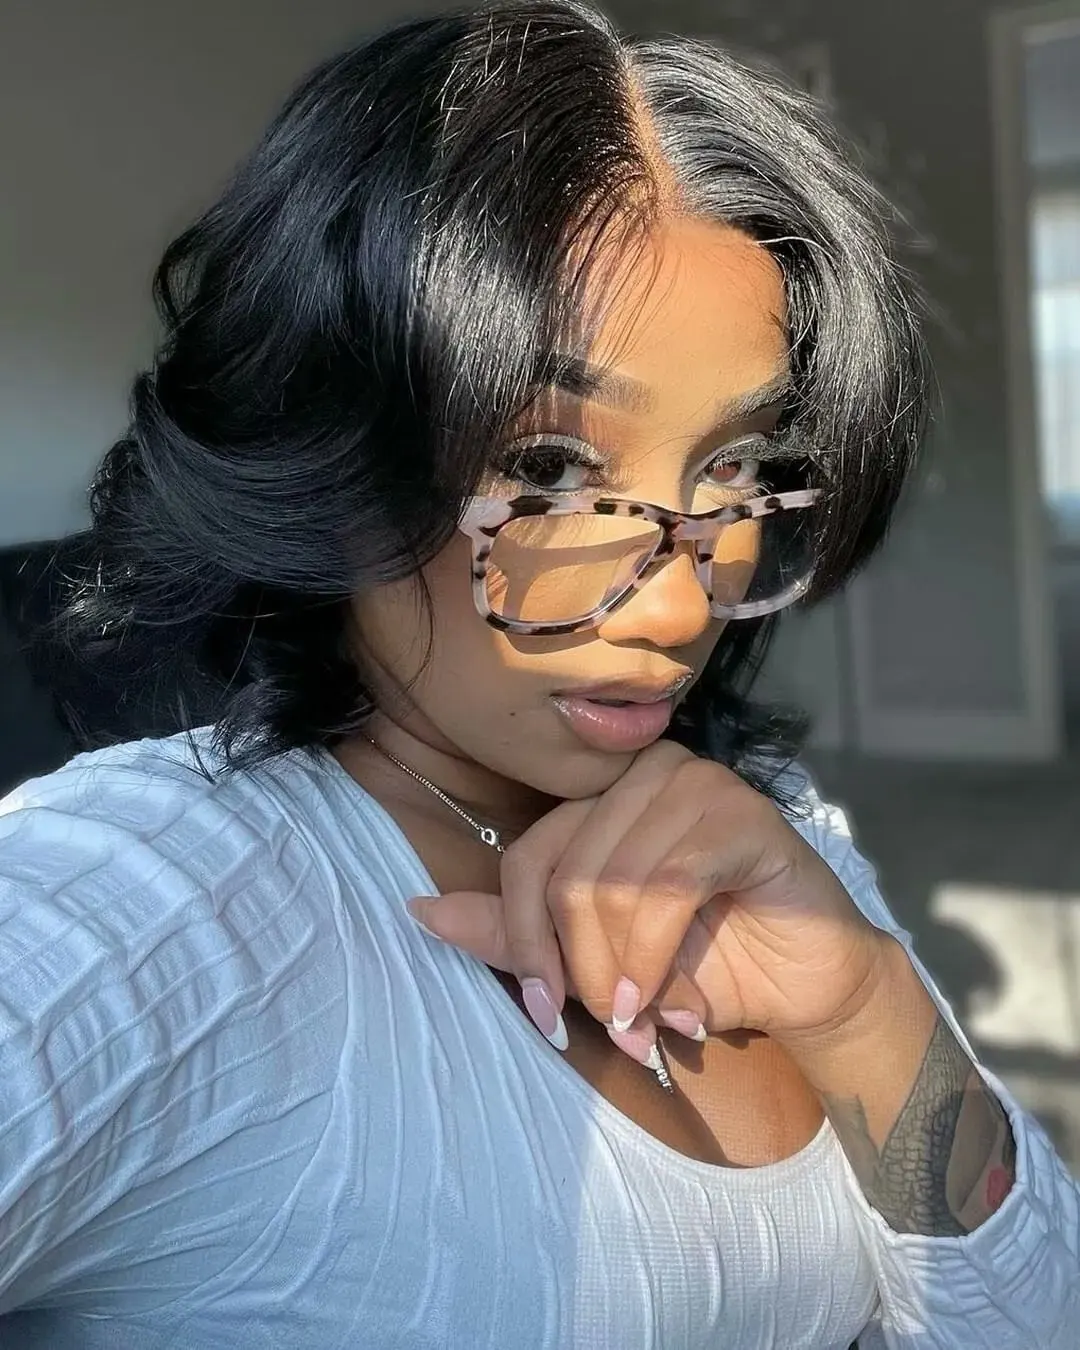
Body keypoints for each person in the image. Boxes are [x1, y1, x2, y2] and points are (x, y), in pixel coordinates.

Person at [0, 2, 1076, 1345]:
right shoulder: (167, 904)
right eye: (549, 469)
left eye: (737, 468)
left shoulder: (764, 820)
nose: (684, 599)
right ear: (337, 455)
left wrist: (864, 1005)